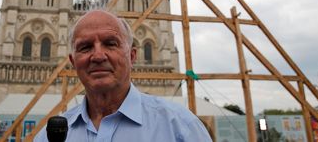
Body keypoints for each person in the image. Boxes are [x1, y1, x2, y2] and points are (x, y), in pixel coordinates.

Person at [35, 10, 212, 141]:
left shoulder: (180, 127)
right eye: (85, 47)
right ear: (73, 62)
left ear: (132, 56)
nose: (98, 56)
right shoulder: (46, 137)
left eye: (110, 44)